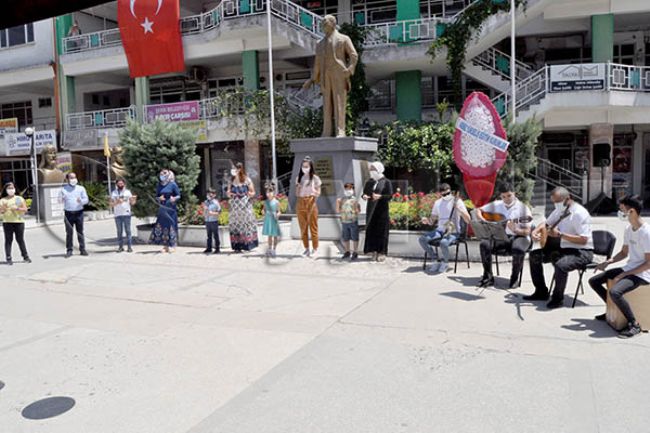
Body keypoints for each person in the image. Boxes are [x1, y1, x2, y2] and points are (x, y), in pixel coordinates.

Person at [589, 195, 650, 339]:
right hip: (629, 268)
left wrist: (624, 274)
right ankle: (612, 309)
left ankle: (634, 325)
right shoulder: (629, 229)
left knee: (615, 292)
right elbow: (624, 253)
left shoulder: (646, 233)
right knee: (594, 281)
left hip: (642, 274)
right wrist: (608, 262)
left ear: (632, 211)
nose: (620, 212)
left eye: (622, 209)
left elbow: (648, 263)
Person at [524, 187, 593, 309]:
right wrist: (536, 231)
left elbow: (584, 240)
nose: (556, 204)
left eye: (558, 201)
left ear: (568, 198)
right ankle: (541, 291)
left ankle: (557, 299)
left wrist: (560, 235)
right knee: (534, 256)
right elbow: (546, 223)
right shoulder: (559, 210)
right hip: (563, 247)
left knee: (561, 265)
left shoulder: (579, 214)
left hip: (581, 251)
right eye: (554, 202)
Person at [302, 14, 358, 138]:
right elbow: (317, 63)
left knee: (339, 102)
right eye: (322, 25)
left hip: (339, 73)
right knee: (326, 104)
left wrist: (349, 69)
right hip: (325, 75)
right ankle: (326, 131)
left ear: (333, 24)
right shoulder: (320, 43)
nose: (323, 26)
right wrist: (312, 79)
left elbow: (353, 55)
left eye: (326, 24)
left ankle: (340, 130)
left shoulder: (343, 39)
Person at [475, 182, 532, 288]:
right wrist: (483, 220)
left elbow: (527, 231)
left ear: (514, 193)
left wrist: (515, 229)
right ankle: (488, 277)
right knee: (484, 244)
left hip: (519, 237)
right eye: (503, 196)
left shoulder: (523, 208)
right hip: (501, 237)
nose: (506, 199)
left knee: (518, 249)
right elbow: (479, 210)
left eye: (509, 195)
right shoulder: (497, 204)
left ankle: (514, 278)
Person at [418, 183, 471, 274]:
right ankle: (435, 259)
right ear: (440, 194)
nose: (446, 196)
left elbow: (468, 220)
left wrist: (458, 209)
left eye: (448, 193)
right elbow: (432, 221)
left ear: (451, 191)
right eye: (444, 194)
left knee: (443, 242)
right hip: (440, 231)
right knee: (422, 239)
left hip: (453, 231)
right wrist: (427, 221)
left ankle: (445, 263)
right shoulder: (438, 203)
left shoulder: (457, 201)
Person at [363, 161, 393, 262]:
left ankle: (382, 252)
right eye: (370, 169)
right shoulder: (370, 182)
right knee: (372, 230)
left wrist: (380, 196)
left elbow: (390, 196)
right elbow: (365, 193)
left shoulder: (386, 182)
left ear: (379, 169)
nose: (371, 171)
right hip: (371, 209)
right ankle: (373, 251)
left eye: (373, 169)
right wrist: (364, 196)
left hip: (382, 210)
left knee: (382, 231)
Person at [228, 163, 259, 252]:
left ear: (241, 169)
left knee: (246, 224)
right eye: (234, 168)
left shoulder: (247, 180)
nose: (235, 170)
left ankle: (248, 245)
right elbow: (228, 192)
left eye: (237, 168)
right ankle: (237, 246)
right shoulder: (231, 180)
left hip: (245, 205)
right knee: (236, 225)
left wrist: (249, 194)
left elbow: (253, 192)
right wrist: (229, 193)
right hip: (235, 207)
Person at [150, 169, 181, 253]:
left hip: (171, 208)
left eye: (164, 173)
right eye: (161, 173)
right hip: (162, 208)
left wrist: (174, 198)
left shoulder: (173, 184)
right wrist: (159, 198)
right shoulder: (159, 185)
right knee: (163, 225)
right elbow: (157, 196)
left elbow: (178, 195)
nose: (162, 175)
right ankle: (165, 246)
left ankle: (173, 245)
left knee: (171, 225)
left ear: (169, 174)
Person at [296, 156, 321, 257]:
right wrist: (298, 188)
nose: (305, 168)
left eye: (307, 166)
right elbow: (297, 194)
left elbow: (319, 192)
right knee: (303, 228)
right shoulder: (299, 178)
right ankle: (306, 248)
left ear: (311, 167)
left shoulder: (315, 178)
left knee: (313, 227)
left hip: (311, 201)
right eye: (303, 166)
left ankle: (315, 248)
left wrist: (314, 192)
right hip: (301, 202)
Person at [59, 172, 89, 257]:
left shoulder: (81, 188)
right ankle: (69, 250)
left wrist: (81, 201)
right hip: (68, 214)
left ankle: (82, 249)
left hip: (79, 213)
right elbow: (59, 200)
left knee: (80, 231)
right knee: (69, 232)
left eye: (74, 177)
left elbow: (86, 200)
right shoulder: (63, 189)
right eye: (71, 178)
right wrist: (61, 199)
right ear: (67, 179)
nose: (73, 179)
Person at [0, 182, 31, 264]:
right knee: (8, 240)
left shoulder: (18, 198)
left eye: (12, 188)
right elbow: (1, 212)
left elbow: (25, 209)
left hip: (18, 222)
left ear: (15, 189)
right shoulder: (3, 200)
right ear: (5, 190)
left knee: (20, 240)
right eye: (9, 188)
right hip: (7, 222)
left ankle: (26, 257)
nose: (11, 190)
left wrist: (17, 208)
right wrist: (3, 210)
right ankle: (8, 258)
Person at [110, 178, 137, 253]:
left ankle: (129, 247)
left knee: (128, 231)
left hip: (126, 214)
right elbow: (111, 204)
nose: (120, 185)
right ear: (116, 184)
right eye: (119, 184)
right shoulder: (114, 193)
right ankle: (120, 247)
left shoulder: (128, 192)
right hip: (117, 214)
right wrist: (117, 202)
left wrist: (134, 200)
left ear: (124, 184)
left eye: (121, 183)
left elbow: (132, 203)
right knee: (119, 231)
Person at [336, 182, 361, 261]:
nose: (348, 191)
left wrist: (355, 208)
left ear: (353, 190)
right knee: (346, 237)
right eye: (346, 189)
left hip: (353, 221)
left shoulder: (355, 200)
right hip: (344, 222)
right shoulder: (342, 200)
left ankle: (355, 252)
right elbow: (338, 210)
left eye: (350, 189)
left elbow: (358, 211)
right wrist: (338, 203)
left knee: (354, 237)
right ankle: (347, 251)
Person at [262, 187, 281, 258]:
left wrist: (278, 214)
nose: (269, 194)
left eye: (270, 192)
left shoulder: (276, 202)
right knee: (269, 235)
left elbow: (279, 211)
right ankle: (269, 249)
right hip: (268, 219)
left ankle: (274, 249)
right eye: (267, 192)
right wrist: (263, 212)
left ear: (273, 193)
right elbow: (263, 210)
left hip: (274, 219)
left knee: (275, 235)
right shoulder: (265, 202)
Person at [203, 187, 222, 254]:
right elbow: (205, 211)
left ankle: (217, 248)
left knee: (215, 235)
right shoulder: (206, 202)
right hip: (207, 221)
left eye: (211, 194)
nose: (209, 195)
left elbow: (219, 212)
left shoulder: (216, 203)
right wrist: (204, 212)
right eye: (208, 193)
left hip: (214, 221)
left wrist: (212, 213)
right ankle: (209, 248)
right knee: (209, 236)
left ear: (214, 195)